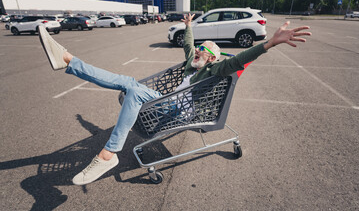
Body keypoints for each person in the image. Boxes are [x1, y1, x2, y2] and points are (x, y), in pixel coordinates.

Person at [38, 13, 311, 185]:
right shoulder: (193, 60)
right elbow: (188, 44)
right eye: (199, 50)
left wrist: (269, 44)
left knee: (132, 90)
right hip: (165, 101)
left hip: (179, 111)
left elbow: (237, 60)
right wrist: (189, 25)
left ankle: (109, 154)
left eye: (204, 51)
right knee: (128, 82)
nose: (198, 52)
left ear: (212, 58)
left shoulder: (214, 70)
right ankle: (68, 61)